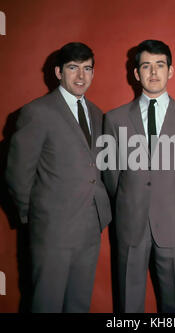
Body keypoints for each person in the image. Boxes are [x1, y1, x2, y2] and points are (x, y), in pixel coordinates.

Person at [6, 42, 112, 313]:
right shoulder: (37, 112)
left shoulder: (98, 115)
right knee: (47, 302)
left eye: (87, 69)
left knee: (79, 303)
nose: (81, 76)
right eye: (73, 68)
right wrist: (37, 217)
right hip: (52, 229)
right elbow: (18, 173)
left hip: (90, 226)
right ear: (58, 72)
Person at [103, 39, 175, 313]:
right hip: (130, 225)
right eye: (146, 66)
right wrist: (130, 202)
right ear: (136, 73)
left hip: (174, 224)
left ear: (170, 71)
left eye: (160, 65)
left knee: (174, 305)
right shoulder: (114, 120)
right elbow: (112, 177)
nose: (153, 72)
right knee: (128, 304)